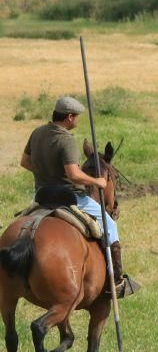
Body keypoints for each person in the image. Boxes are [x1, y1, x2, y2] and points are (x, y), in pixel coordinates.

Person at [21, 96, 137, 297]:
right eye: (77, 117)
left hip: (41, 196)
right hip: (69, 197)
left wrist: (46, 173)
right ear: (69, 117)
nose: (77, 121)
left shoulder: (37, 132)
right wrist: (98, 182)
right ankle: (116, 281)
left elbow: (25, 162)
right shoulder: (66, 140)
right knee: (110, 226)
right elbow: (74, 174)